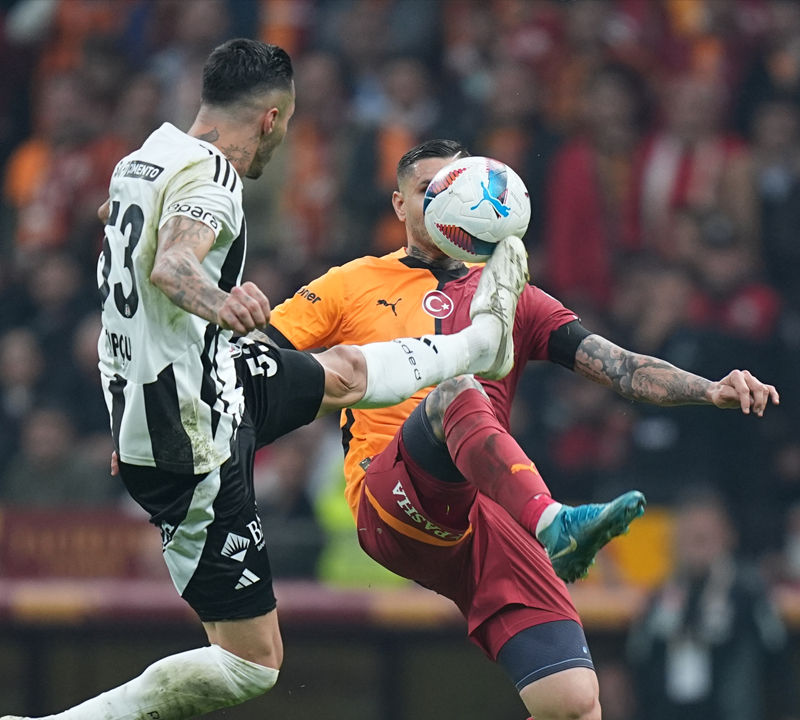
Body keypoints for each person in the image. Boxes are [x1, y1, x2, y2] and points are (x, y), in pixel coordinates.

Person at [1, 38, 526, 720]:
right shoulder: (213, 178)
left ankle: (480, 344)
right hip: (193, 442)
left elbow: (125, 228)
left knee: (338, 374)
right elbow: (173, 264)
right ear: (273, 120)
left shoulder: (144, 159)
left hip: (198, 385)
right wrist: (222, 302)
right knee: (250, 664)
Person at [265, 139, 781, 720]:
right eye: (430, 193)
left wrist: (709, 388)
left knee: (575, 703)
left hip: (486, 516)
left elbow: (621, 367)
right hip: (395, 500)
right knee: (457, 389)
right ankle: (555, 523)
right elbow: (260, 361)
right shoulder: (350, 283)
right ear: (400, 206)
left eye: (458, 188)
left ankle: (548, 525)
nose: (447, 205)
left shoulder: (511, 297)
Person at [628, 491, 798, 720]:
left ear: (728, 537)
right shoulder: (661, 595)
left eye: (705, 538)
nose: (697, 548)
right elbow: (637, 654)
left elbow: (777, 657)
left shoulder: (747, 593)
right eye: (690, 538)